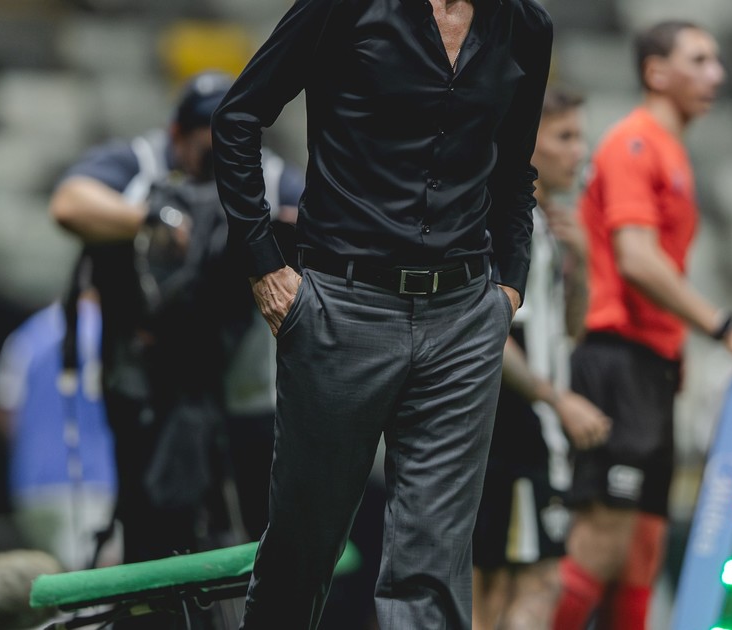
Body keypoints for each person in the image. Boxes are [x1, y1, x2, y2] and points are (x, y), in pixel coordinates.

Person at [210, 0, 553, 626]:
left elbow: (515, 171)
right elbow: (238, 118)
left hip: (465, 318)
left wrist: (510, 286)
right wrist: (264, 267)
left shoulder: (525, 25)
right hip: (343, 307)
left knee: (435, 565)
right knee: (301, 552)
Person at [552, 21, 732, 630]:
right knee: (601, 540)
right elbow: (636, 258)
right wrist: (728, 330)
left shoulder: (670, 150)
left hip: (652, 366)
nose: (717, 75)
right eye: (699, 61)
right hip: (616, 359)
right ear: (656, 72)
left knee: (642, 553)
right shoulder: (634, 143)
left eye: (716, 61)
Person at [49, 70, 305, 571]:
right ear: (177, 136)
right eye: (209, 151)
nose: (219, 164)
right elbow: (68, 204)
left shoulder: (273, 179)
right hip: (150, 386)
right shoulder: (140, 164)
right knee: (153, 534)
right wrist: (154, 222)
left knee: (267, 533)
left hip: (245, 389)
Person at [471, 85, 610, 630]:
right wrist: (558, 401)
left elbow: (570, 332)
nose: (579, 151)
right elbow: (488, 331)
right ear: (528, 144)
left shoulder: (546, 226)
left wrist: (584, 263)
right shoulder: (502, 221)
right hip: (506, 432)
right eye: (565, 137)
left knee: (521, 583)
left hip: (534, 435)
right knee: (499, 587)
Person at [0, 286, 118, 572]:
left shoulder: (27, 336)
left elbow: (2, 413)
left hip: (31, 492)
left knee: (52, 585)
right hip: (92, 487)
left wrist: (34, 451)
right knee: (94, 585)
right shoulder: (108, 329)